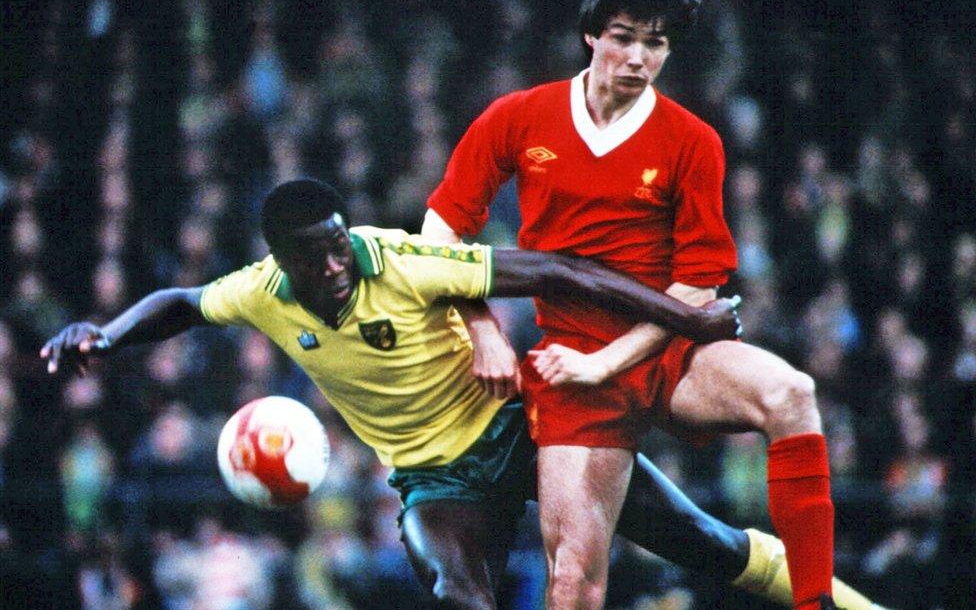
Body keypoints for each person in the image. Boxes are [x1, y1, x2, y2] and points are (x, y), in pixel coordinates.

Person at [42, 180, 880, 609]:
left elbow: (556, 271)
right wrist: (106, 335)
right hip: (433, 479)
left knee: (699, 541)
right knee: (456, 592)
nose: (334, 266)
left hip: (521, 428)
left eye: (338, 246)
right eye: (314, 256)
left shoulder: (400, 260)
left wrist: (685, 320)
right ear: (280, 259)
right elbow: (184, 304)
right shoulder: (261, 290)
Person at [425, 0, 850, 610]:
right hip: (568, 360)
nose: (637, 58)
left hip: (667, 349)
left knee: (791, 391)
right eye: (623, 38)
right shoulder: (518, 117)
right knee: (572, 583)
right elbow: (438, 236)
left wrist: (607, 363)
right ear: (592, 34)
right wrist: (482, 328)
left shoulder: (692, 140)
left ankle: (813, 600)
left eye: (655, 44)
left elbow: (698, 290)